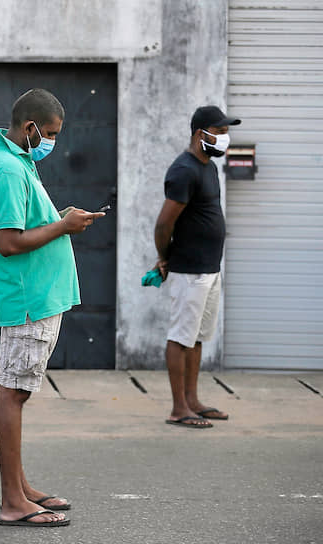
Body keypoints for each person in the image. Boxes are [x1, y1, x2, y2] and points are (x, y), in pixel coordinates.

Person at [0, 89, 105, 527]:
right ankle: (13, 500)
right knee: (13, 393)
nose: (52, 141)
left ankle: (21, 486)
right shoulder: (9, 169)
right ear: (30, 128)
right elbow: (8, 243)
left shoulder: (19, 162)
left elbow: (30, 224)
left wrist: (62, 218)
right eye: (49, 134)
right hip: (29, 300)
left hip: (39, 298)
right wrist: (64, 226)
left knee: (18, 390)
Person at [154, 105, 240, 428]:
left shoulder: (208, 168)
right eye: (218, 132)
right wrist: (165, 258)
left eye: (224, 132)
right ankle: (179, 408)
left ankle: (193, 400)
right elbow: (163, 225)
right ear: (199, 134)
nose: (223, 138)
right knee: (180, 338)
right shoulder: (184, 170)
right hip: (189, 270)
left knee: (198, 337)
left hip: (209, 269)